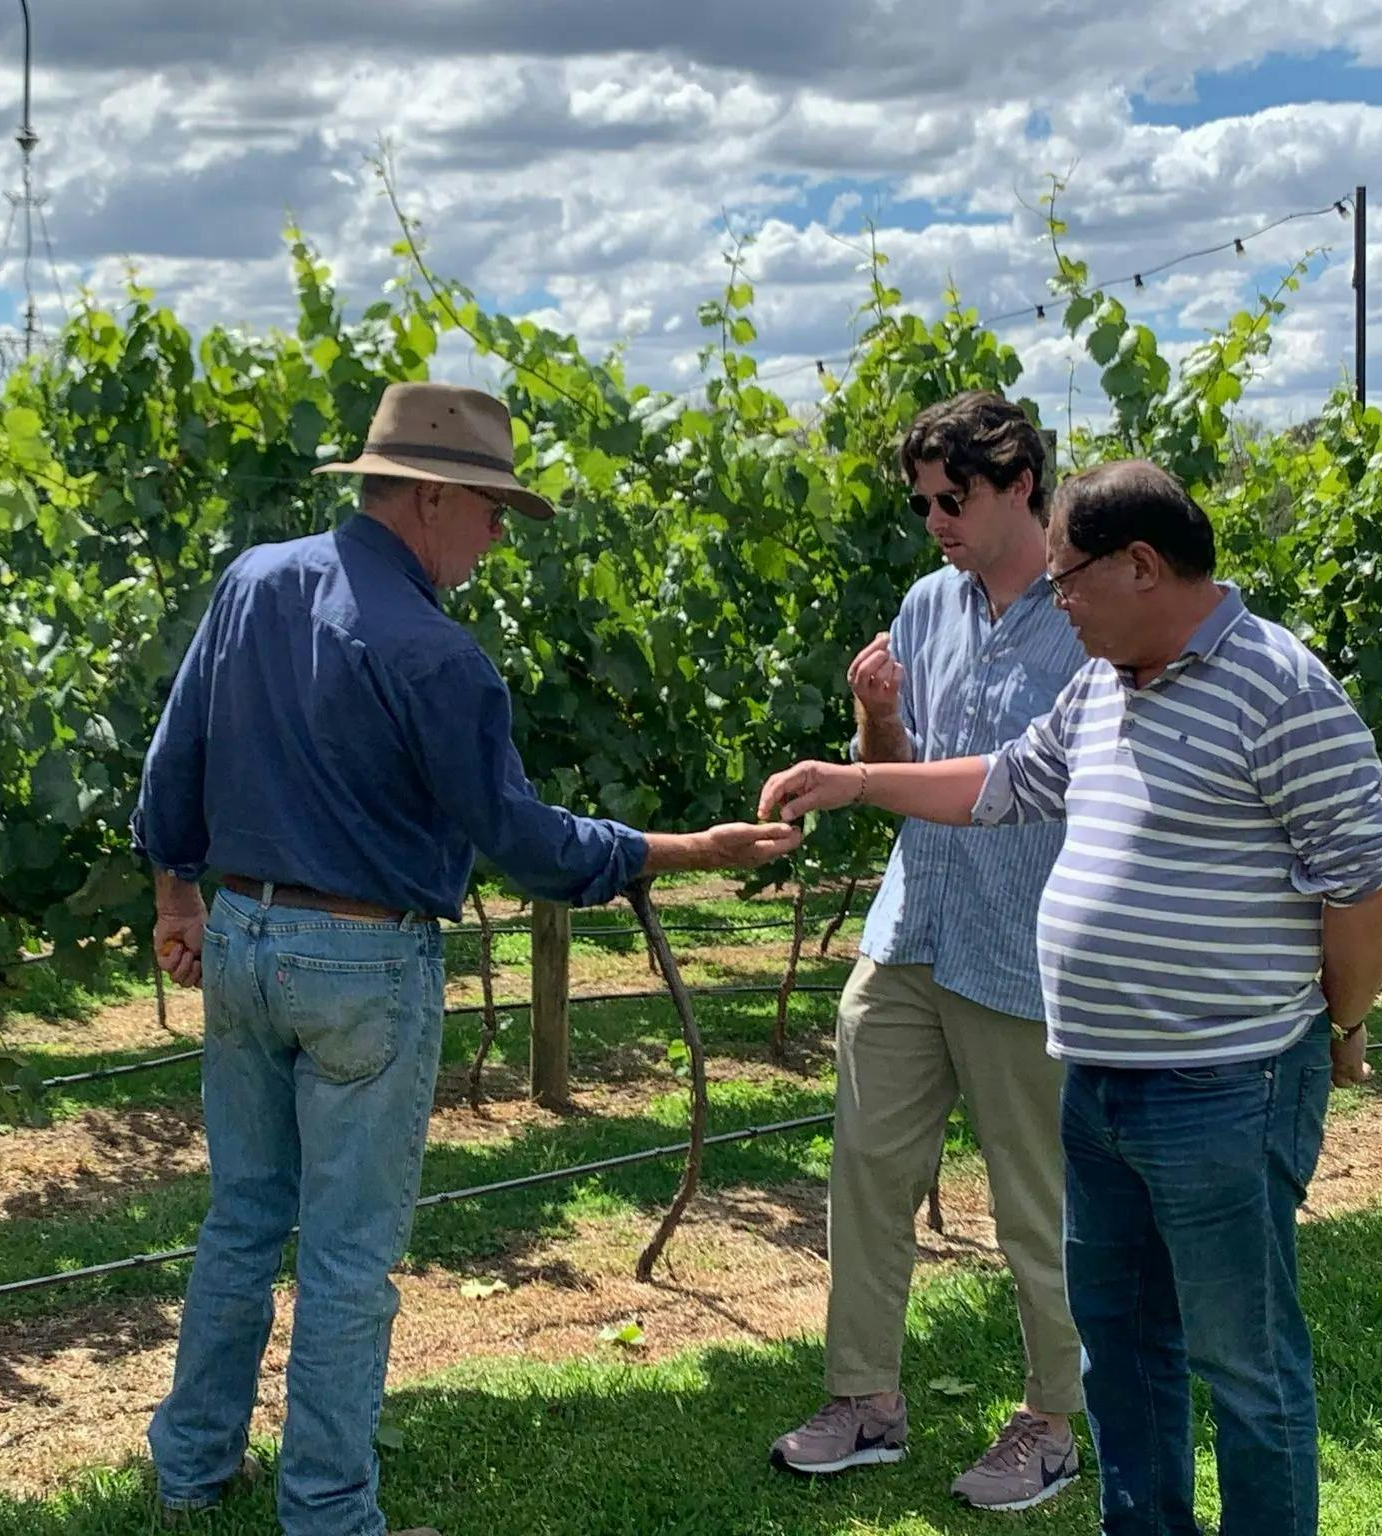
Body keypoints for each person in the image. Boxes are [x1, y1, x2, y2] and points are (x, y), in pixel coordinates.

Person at [132, 381, 803, 1536]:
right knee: (348, 1257)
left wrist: (176, 894)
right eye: (492, 511)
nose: (498, 540)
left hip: (239, 937)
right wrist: (681, 847)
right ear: (431, 498)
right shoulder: (437, 657)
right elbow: (524, 843)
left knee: (242, 1217)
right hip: (359, 962)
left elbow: (173, 755)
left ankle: (192, 1468)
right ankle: (329, 1514)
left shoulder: (252, 583)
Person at [760, 458, 1382, 1536]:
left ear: (1140, 565)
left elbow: (1370, 887)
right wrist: (859, 777)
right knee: (1122, 1355)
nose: (1054, 600)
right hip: (1099, 1083)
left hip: (1224, 1083)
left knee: (1242, 1365)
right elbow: (1009, 781)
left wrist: (1335, 1024)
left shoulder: (1280, 687)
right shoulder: (1105, 682)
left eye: (1068, 579)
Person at [768, 393, 1091, 1512]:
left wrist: (861, 773)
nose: (935, 520)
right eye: (921, 503)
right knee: (865, 1170)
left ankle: (1052, 1418)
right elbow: (899, 766)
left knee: (1032, 1202)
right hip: (910, 928)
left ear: (1019, 485)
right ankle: (863, 1400)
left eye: (952, 499)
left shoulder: (1084, 614)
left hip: (1023, 946)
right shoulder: (923, 605)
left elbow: (1018, 789)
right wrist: (872, 719)